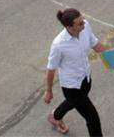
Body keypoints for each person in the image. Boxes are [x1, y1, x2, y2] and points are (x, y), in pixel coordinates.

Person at [44, 8, 104, 137]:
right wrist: (48, 91)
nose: (84, 23)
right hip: (71, 87)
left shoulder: (85, 27)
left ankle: (55, 116)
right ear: (69, 27)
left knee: (73, 102)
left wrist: (112, 60)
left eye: (82, 20)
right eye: (80, 23)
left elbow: (96, 44)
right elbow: (51, 69)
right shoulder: (58, 45)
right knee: (92, 118)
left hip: (86, 79)